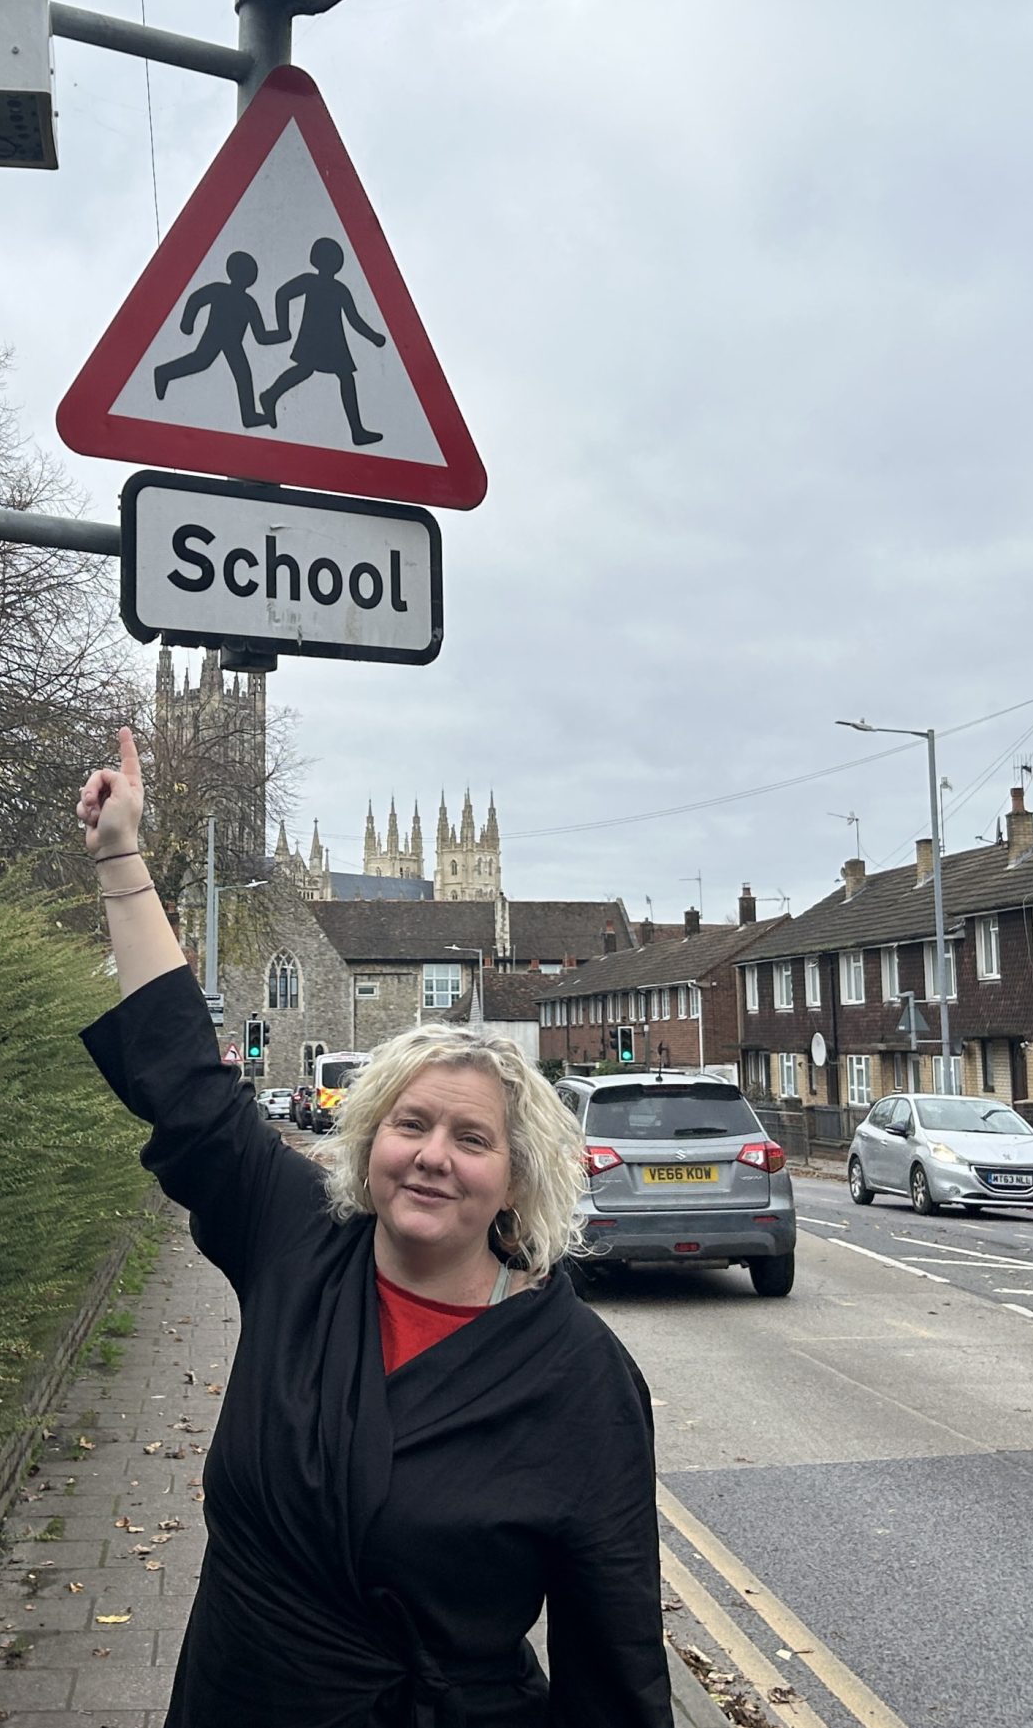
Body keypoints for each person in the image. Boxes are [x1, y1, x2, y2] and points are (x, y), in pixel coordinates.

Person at [74, 728, 671, 1728]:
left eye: (471, 1137)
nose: (434, 1153)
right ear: (368, 1144)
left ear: (518, 1178)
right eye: (411, 1123)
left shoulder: (579, 1375)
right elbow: (185, 1083)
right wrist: (120, 859)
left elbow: (614, 1660)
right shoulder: (297, 1239)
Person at [260, 236, 390, 445]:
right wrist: (284, 327)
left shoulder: (340, 289)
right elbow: (282, 294)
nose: (333, 262)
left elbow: (354, 318)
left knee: (339, 376)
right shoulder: (309, 281)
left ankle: (357, 431)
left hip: (334, 340)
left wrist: (373, 336)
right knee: (309, 370)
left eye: (335, 259)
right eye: (330, 258)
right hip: (314, 338)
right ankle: (270, 395)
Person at [153, 249, 284, 426]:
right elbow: (196, 300)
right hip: (214, 335)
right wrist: (187, 323)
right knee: (201, 361)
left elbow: (260, 336)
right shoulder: (221, 290)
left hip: (233, 342)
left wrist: (281, 335)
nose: (245, 277)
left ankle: (248, 415)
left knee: (241, 373)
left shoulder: (248, 303)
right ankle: (163, 373)